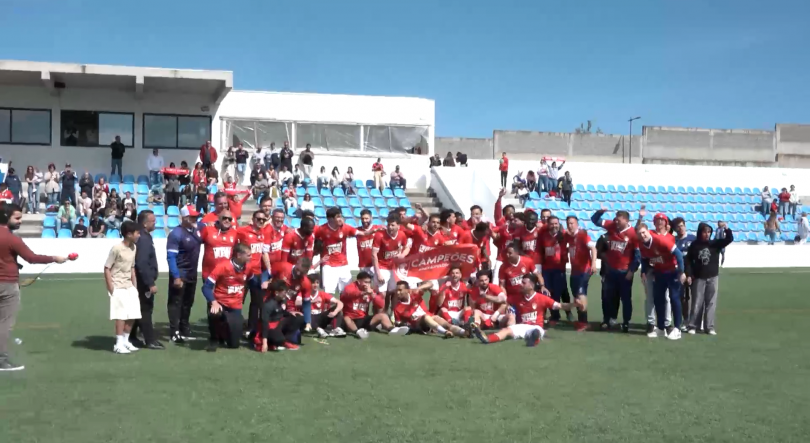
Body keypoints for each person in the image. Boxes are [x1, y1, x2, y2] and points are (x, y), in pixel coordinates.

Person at [0, 203, 68, 370]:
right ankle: (1, 359)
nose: (20, 221)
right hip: (7, 285)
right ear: (5, 217)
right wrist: (55, 258)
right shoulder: (12, 239)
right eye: (17, 218)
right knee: (5, 324)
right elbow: (31, 258)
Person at [471, 273, 578, 346]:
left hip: (536, 326)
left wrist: (574, 304)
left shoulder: (541, 298)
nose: (520, 285)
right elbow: (502, 300)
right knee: (506, 330)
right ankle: (487, 339)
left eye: (523, 283)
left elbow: (560, 306)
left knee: (536, 331)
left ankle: (534, 339)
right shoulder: (517, 297)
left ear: (531, 286)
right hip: (522, 326)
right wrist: (488, 297)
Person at [635, 218, 685, 340]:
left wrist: (682, 272)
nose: (643, 235)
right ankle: (661, 328)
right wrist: (644, 272)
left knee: (673, 298)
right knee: (658, 300)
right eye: (640, 233)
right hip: (659, 273)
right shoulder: (642, 245)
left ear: (648, 231)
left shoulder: (660, 240)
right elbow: (645, 259)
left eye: (644, 232)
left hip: (672, 272)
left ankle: (677, 328)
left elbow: (678, 254)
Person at [591, 208, 640, 332]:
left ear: (626, 220)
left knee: (625, 298)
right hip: (610, 271)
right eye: (616, 219)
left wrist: (631, 271)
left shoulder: (633, 234)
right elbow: (594, 220)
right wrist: (600, 211)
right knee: (607, 296)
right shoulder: (612, 226)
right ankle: (607, 320)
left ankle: (626, 322)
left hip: (625, 272)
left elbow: (637, 255)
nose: (616, 222)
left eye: (619, 220)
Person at [202, 243, 252, 352]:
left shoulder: (249, 267)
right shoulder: (223, 266)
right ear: (239, 255)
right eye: (248, 255)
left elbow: (254, 281)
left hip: (236, 306)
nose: (251, 257)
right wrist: (214, 302)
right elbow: (206, 287)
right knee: (214, 312)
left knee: (234, 344)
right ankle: (214, 338)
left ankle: (227, 329)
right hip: (221, 303)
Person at [685, 223, 733, 335]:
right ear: (700, 232)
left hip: (713, 277)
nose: (707, 234)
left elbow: (729, 239)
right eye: (704, 232)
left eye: (709, 232)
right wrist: (689, 274)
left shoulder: (715, 243)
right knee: (697, 302)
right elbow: (688, 261)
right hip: (698, 277)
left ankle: (709, 327)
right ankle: (693, 326)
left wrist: (726, 228)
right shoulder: (695, 245)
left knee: (711, 302)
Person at [166, 205, 203, 343]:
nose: (196, 219)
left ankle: (184, 328)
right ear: (185, 217)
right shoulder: (176, 234)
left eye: (196, 216)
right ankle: (174, 331)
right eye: (193, 216)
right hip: (181, 274)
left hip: (192, 273)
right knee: (176, 303)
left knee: (188, 302)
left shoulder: (197, 229)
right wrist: (176, 276)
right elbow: (170, 257)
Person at [104, 220, 142, 354]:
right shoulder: (116, 248)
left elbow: (132, 268)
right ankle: (118, 344)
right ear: (129, 234)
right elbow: (107, 268)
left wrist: (135, 287)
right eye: (137, 233)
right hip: (117, 285)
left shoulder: (134, 248)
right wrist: (111, 288)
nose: (139, 235)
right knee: (121, 315)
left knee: (133, 313)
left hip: (129, 285)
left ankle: (126, 341)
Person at [129, 210, 162, 350]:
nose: (155, 223)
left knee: (139, 309)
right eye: (152, 221)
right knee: (145, 309)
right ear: (144, 223)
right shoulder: (143, 239)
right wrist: (150, 283)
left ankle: (131, 336)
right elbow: (142, 263)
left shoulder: (144, 237)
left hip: (142, 280)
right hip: (143, 282)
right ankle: (149, 340)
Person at [315, 208, 362, 294]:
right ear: (331, 219)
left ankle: (343, 307)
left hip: (343, 263)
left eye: (341, 216)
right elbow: (308, 235)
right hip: (328, 264)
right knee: (329, 293)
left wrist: (373, 232)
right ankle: (330, 307)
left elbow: (362, 233)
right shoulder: (321, 229)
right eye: (338, 217)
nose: (341, 219)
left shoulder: (345, 228)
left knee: (347, 291)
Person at [393, 281, 464, 338]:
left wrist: (418, 288)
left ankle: (464, 332)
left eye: (400, 290)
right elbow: (398, 324)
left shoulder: (415, 294)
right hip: (419, 325)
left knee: (443, 322)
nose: (397, 292)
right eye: (397, 290)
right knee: (425, 317)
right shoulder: (397, 308)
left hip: (430, 319)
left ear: (407, 290)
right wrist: (405, 324)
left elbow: (430, 283)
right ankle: (444, 332)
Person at [340, 271, 398, 339]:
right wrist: (363, 293)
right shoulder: (350, 287)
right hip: (351, 319)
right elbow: (349, 294)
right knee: (346, 318)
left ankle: (392, 329)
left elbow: (381, 305)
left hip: (363, 318)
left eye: (369, 282)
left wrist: (373, 295)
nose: (367, 284)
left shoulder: (369, 290)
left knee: (383, 315)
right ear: (359, 282)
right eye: (365, 282)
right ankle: (357, 332)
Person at [562, 216, 596, 332]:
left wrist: (594, 263)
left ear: (577, 224)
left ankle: (584, 322)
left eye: (572, 223)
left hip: (585, 270)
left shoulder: (582, 235)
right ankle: (581, 320)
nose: (570, 225)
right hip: (574, 270)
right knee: (576, 295)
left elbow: (593, 248)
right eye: (568, 224)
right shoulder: (568, 236)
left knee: (581, 294)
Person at [372, 214, 411, 310]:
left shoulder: (401, 235)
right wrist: (378, 273)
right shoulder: (379, 235)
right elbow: (374, 255)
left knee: (394, 293)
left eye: (392, 225)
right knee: (382, 294)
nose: (390, 227)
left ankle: (392, 315)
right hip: (382, 267)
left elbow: (407, 247)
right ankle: (379, 318)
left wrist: (403, 255)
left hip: (394, 268)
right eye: (388, 224)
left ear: (398, 225)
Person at [237, 210, 266, 337]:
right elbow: (231, 231)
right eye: (258, 219)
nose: (261, 221)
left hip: (257, 273)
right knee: (238, 300)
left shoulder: (263, 233)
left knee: (256, 303)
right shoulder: (243, 231)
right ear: (253, 219)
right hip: (243, 272)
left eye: (263, 220)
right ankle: (234, 325)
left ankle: (251, 328)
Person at [537, 216, 570, 325]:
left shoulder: (564, 236)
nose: (554, 226)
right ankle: (555, 315)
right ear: (548, 224)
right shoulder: (543, 236)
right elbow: (540, 251)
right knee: (548, 292)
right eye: (552, 224)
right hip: (547, 269)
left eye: (556, 223)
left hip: (559, 269)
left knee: (559, 291)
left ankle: (565, 313)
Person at [254, 279, 302, 352]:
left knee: (298, 319)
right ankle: (279, 342)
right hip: (269, 328)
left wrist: (291, 313)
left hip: (278, 324)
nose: (285, 294)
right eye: (284, 292)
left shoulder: (279, 300)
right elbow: (264, 324)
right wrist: (264, 343)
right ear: (276, 293)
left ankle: (286, 341)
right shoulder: (268, 305)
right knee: (278, 339)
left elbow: (281, 312)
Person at [298, 274, 346, 338]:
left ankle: (336, 329)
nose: (315, 285)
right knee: (307, 315)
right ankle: (319, 330)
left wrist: (335, 312)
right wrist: (312, 301)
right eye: (313, 283)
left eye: (317, 283)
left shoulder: (322, 294)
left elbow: (340, 303)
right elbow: (297, 302)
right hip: (309, 318)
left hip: (320, 317)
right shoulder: (303, 293)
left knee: (336, 308)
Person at [671, 217, 696, 328]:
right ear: (675, 229)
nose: (680, 228)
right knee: (682, 298)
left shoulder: (693, 239)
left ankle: (695, 321)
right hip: (679, 273)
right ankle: (685, 320)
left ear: (685, 226)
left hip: (693, 272)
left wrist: (691, 274)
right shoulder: (673, 240)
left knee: (696, 298)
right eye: (678, 226)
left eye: (682, 225)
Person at [200, 209, 237, 282]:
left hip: (226, 275)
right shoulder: (208, 229)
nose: (227, 220)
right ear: (219, 218)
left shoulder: (235, 233)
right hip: (209, 274)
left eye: (229, 219)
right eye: (224, 218)